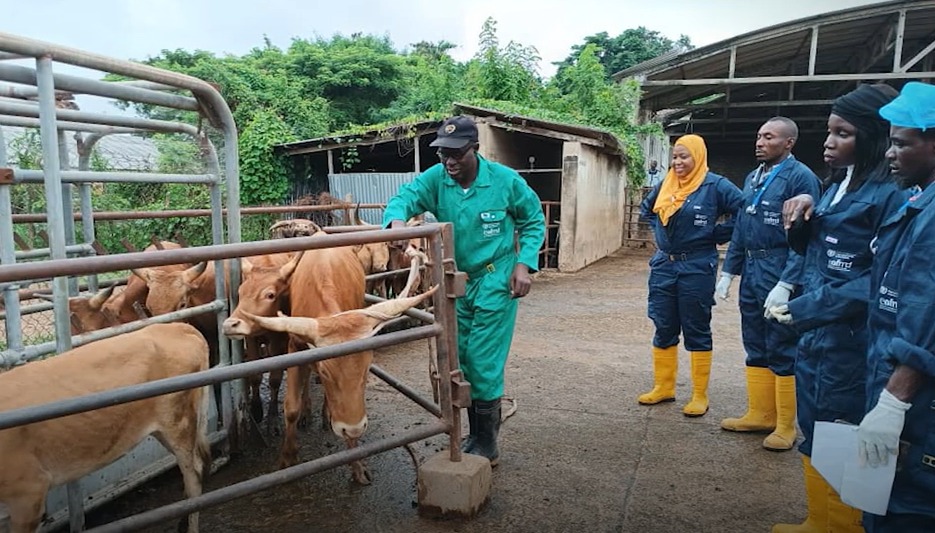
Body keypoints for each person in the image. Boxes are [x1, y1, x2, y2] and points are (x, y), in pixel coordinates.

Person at [768, 83, 906, 533]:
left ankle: (844, 525)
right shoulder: (835, 186)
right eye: (829, 131)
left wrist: (808, 307)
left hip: (852, 340)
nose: (829, 142)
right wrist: (803, 216)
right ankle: (819, 520)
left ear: (873, 137)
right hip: (818, 335)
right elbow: (815, 252)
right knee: (816, 425)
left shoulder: (891, 196)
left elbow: (880, 278)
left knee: (842, 431)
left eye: (843, 133)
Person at [382, 115, 546, 466]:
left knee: (483, 360)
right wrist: (396, 220)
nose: (449, 161)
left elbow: (533, 220)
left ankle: (487, 443)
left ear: (475, 149)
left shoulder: (505, 181)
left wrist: (524, 264)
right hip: (456, 282)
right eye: (443, 153)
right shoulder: (437, 179)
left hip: (494, 278)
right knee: (462, 358)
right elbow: (405, 197)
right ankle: (475, 434)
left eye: (457, 153)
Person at [856, 81, 935, 533]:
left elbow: (928, 309)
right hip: (894, 378)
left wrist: (894, 400)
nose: (889, 153)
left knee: (904, 510)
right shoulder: (917, 202)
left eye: (902, 143)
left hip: (916, 400)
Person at [717, 117, 821, 452]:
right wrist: (728, 272)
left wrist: (788, 282)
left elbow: (804, 238)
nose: (760, 142)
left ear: (789, 143)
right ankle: (760, 413)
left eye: (769, 137)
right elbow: (741, 228)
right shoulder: (753, 176)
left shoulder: (801, 177)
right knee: (755, 340)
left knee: (782, 343)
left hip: (780, 265)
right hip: (752, 265)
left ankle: (786, 425)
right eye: (759, 135)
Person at [637, 134, 743, 416]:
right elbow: (646, 208)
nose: (678, 162)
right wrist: (659, 232)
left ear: (698, 156)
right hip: (664, 266)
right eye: (675, 156)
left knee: (696, 328)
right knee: (663, 324)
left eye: (684, 156)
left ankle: (699, 395)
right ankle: (664, 387)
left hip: (696, 266)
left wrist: (715, 234)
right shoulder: (666, 184)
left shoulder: (715, 185)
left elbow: (743, 210)